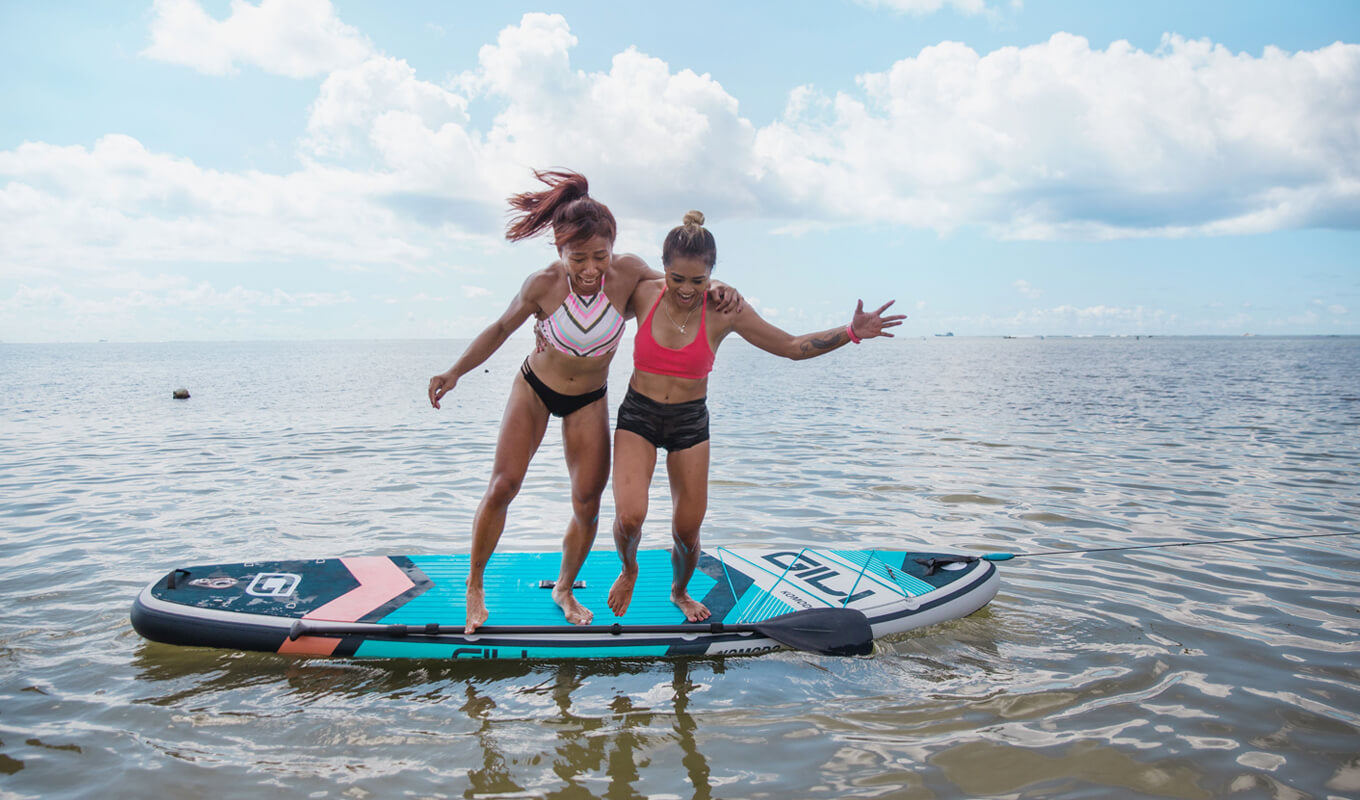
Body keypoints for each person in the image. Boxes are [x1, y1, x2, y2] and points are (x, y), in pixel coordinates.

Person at [427, 171, 741, 633]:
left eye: (600, 256)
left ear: (613, 249)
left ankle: (564, 588)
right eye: (579, 258)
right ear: (559, 251)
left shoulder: (630, 273)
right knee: (503, 486)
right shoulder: (543, 285)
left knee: (588, 502)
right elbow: (498, 329)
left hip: (589, 398)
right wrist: (455, 371)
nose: (591, 268)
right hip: (535, 388)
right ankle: (475, 584)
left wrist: (720, 288)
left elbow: (681, 285)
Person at [607, 210, 905, 622]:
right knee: (630, 516)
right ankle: (629, 568)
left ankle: (679, 591)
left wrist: (850, 332)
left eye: (699, 280)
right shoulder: (643, 294)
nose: (687, 290)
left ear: (712, 274)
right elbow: (593, 297)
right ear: (664, 269)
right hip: (638, 414)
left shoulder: (726, 309)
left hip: (690, 423)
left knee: (687, 531)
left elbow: (790, 346)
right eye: (677, 279)